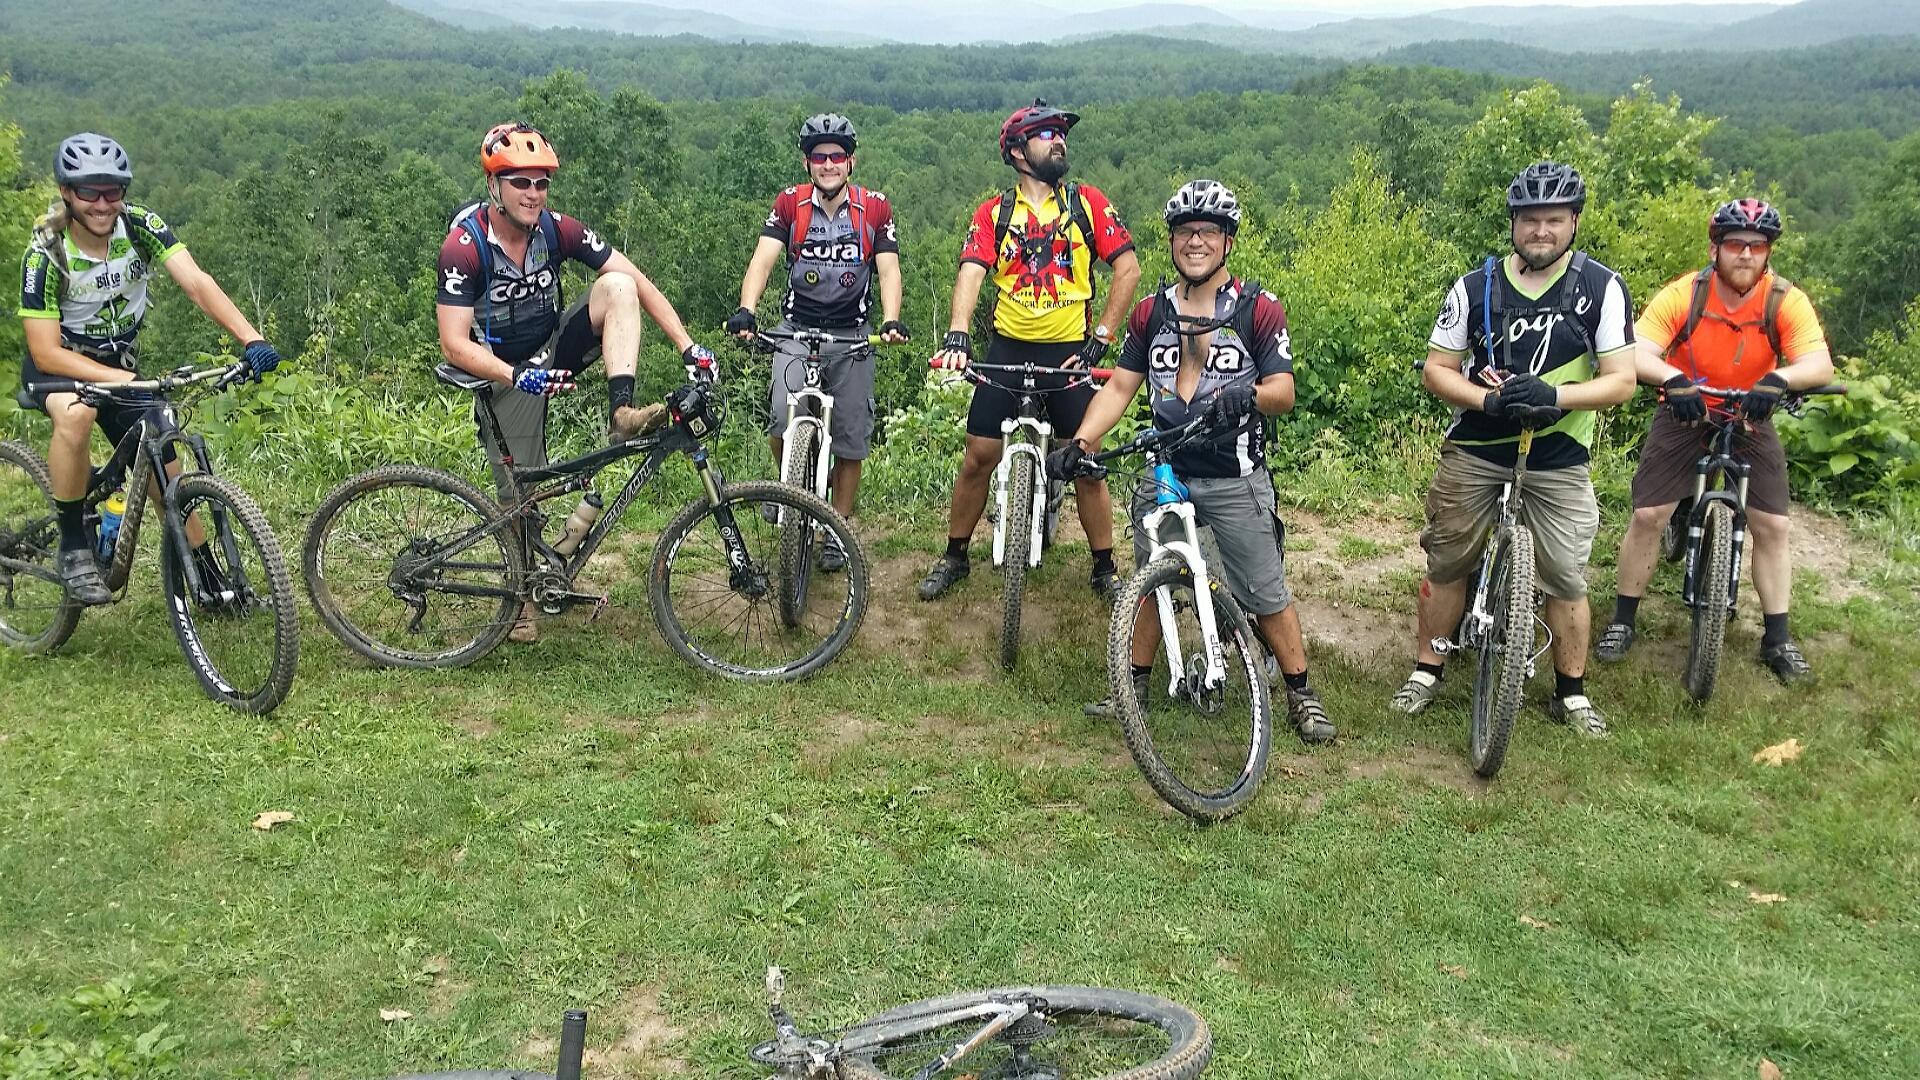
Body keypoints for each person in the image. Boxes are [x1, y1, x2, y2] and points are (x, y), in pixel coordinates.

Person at [1049, 180, 1336, 743]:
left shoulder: (1258, 309)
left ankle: (1302, 693)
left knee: (1264, 590)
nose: (1195, 242)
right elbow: (1119, 389)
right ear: (1173, 241)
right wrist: (1080, 444)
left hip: (1234, 474)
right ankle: (1131, 688)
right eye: (1185, 232)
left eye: (1208, 231)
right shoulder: (1151, 312)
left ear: (1227, 241)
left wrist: (1248, 396)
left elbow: (1283, 391)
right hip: (1167, 471)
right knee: (1150, 582)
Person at [436, 121, 712, 641]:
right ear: (494, 186)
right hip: (498, 368)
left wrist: (686, 344)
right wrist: (518, 376)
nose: (533, 193)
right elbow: (454, 344)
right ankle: (518, 598)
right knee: (521, 493)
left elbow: (638, 280)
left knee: (617, 287)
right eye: (520, 182)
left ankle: (622, 412)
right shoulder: (465, 246)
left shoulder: (557, 229)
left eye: (541, 183)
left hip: (551, 345)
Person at [1389, 162, 1637, 736]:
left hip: (1558, 453)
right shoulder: (1475, 287)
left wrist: (1559, 394)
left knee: (1566, 574)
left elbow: (1622, 380)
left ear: (1574, 222)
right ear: (1514, 224)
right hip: (1478, 447)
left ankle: (1571, 692)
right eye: (1530, 220)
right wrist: (1484, 402)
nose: (1541, 231)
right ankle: (1429, 668)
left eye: (1554, 219)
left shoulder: (1600, 287)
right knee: (1449, 559)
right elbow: (1437, 369)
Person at [18, 132, 282, 606]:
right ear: (65, 193)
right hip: (58, 366)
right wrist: (122, 380)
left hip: (120, 366)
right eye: (88, 192)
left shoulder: (138, 226)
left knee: (166, 463)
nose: (102, 204)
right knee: (75, 417)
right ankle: (73, 544)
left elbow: (197, 282)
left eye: (113, 191)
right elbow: (45, 352)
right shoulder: (46, 253)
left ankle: (210, 583)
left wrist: (251, 337)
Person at [1596, 198, 1835, 682]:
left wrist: (1780, 381)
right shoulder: (1686, 293)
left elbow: (1819, 364)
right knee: (1648, 515)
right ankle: (1623, 620)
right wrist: (1672, 378)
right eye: (1734, 245)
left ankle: (1777, 638)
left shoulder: (1784, 300)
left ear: (1768, 253)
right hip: (1685, 410)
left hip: (1751, 413)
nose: (1745, 255)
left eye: (1757, 246)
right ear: (1715, 248)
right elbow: (1635, 351)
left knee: (1773, 526)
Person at [920, 99, 1141, 603]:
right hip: (1007, 345)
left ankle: (1104, 567)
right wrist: (958, 332)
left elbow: (1127, 269)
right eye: (1046, 133)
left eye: (1061, 133)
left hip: (1069, 352)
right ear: (1018, 151)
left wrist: (1101, 338)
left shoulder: (1087, 204)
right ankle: (955, 555)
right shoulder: (995, 213)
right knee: (978, 456)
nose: (1059, 140)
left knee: (1083, 457)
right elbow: (972, 270)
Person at [727, 113, 908, 571]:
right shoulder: (791, 205)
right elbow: (763, 259)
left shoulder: (876, 208)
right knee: (778, 422)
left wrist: (891, 320)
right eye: (818, 157)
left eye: (837, 156)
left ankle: (837, 528)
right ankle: (789, 485)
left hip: (851, 333)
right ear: (807, 163)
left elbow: (888, 269)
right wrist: (748, 308)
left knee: (850, 437)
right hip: (797, 328)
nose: (828, 164)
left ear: (851, 161)